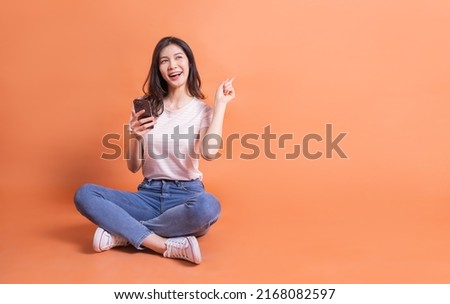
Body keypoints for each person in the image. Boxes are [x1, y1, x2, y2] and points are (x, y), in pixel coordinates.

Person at [73, 36, 235, 264]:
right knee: (85, 194)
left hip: (186, 196)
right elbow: (133, 167)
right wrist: (135, 135)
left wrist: (220, 105)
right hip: (147, 196)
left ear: (189, 63)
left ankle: (123, 233)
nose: (172, 66)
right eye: (164, 61)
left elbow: (209, 153)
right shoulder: (146, 105)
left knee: (208, 206)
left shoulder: (202, 111)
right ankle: (162, 244)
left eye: (179, 58)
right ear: (158, 68)